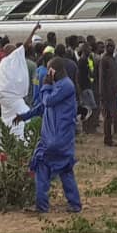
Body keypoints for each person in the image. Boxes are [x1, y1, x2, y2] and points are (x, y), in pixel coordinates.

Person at [14, 57, 82, 214]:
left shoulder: (65, 86)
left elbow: (48, 101)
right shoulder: (59, 86)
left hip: (55, 138)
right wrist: (23, 116)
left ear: (53, 71)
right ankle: (75, 204)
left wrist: (45, 85)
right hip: (60, 138)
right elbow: (41, 107)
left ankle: (42, 206)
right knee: (65, 170)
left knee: (42, 166)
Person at [99, 40, 117, 147]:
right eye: (108, 46)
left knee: (111, 116)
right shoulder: (104, 60)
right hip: (106, 93)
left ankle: (110, 137)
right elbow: (102, 78)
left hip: (114, 92)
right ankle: (107, 139)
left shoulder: (113, 59)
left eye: (112, 46)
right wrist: (102, 94)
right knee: (107, 116)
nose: (110, 48)